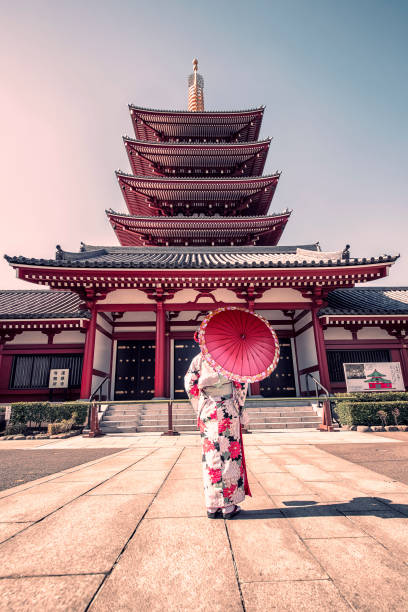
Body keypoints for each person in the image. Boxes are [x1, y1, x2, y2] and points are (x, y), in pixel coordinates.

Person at [184, 334, 251, 519]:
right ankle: (228, 507)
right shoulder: (230, 360)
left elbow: (190, 385)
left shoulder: (198, 360)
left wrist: (200, 404)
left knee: (211, 455)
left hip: (208, 410)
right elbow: (241, 384)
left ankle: (212, 506)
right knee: (230, 453)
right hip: (228, 409)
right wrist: (239, 405)